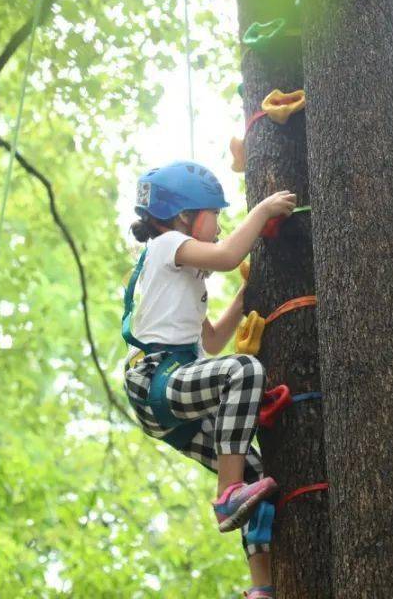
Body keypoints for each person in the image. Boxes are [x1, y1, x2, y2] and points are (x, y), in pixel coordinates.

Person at [121, 160, 296, 599]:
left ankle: (262, 588)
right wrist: (263, 212)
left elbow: (213, 341)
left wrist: (246, 294)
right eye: (214, 215)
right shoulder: (167, 245)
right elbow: (226, 256)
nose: (219, 225)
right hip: (157, 379)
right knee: (244, 369)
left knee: (260, 473)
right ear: (184, 216)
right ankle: (228, 495)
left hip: (169, 400)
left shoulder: (184, 279)